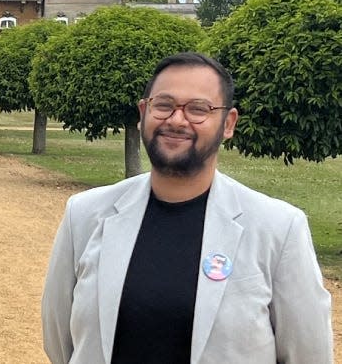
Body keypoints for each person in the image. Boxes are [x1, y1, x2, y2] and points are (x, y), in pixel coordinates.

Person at [41, 52, 333, 364]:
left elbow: (309, 354)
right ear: (144, 112)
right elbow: (60, 343)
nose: (177, 120)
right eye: (164, 105)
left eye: (199, 109)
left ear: (228, 123)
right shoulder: (84, 215)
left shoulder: (278, 229)